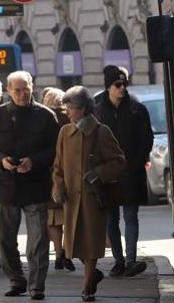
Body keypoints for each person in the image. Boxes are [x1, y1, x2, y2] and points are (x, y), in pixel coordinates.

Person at [0, 71, 60, 300]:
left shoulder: (46, 116)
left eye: (26, 88)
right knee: (5, 239)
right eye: (17, 90)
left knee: (38, 241)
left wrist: (34, 161)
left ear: (32, 87)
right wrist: (2, 162)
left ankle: (37, 286)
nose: (22, 94)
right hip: (5, 187)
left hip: (35, 186)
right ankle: (16, 279)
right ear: (8, 91)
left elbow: (55, 150)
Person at [51, 86, 127, 302]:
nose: (67, 112)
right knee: (74, 245)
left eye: (70, 108)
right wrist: (57, 186)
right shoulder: (64, 132)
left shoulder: (101, 131)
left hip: (92, 198)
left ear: (83, 109)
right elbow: (57, 166)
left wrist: (98, 174)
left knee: (91, 243)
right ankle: (92, 275)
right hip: (71, 199)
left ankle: (87, 287)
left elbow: (119, 161)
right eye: (65, 107)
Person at [94, 66, 154, 277]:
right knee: (111, 219)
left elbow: (146, 140)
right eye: (117, 85)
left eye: (124, 84)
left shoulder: (137, 110)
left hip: (131, 171)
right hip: (108, 173)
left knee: (131, 216)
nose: (122, 88)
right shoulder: (98, 111)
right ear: (108, 86)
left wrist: (133, 163)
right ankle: (118, 261)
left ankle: (130, 260)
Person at [41, 88, 75, 271]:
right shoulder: (70, 119)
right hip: (68, 172)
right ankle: (67, 250)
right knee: (69, 215)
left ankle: (58, 254)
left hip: (48, 173)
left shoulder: (43, 118)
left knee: (53, 219)